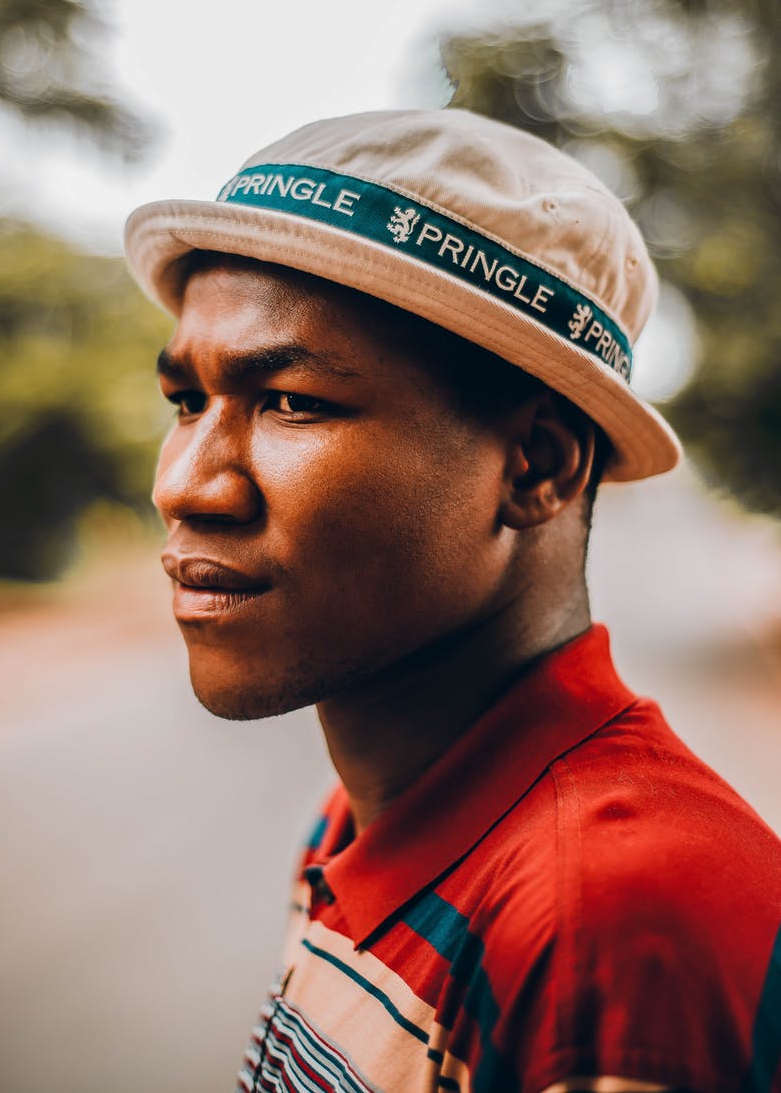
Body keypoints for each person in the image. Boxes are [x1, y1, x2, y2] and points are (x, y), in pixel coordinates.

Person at [124, 108, 781, 1093]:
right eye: (188, 402)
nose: (184, 484)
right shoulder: (360, 818)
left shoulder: (615, 922)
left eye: (291, 401)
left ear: (536, 465)